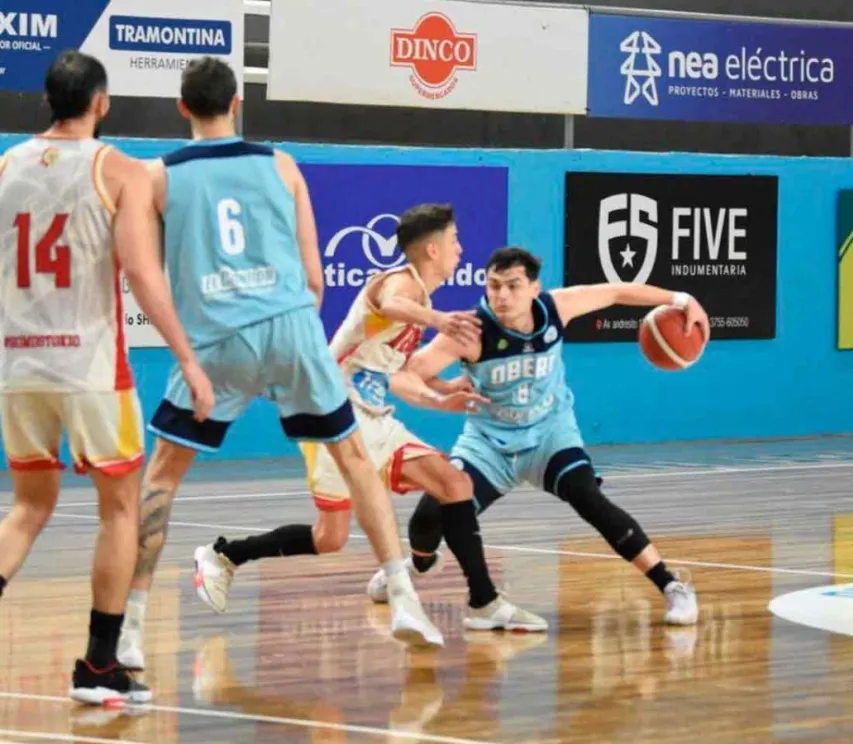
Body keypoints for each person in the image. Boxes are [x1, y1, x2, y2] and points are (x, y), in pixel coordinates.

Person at [115, 56, 443, 671]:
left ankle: (130, 627)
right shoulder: (283, 166)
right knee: (354, 460)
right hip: (290, 330)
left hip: (215, 340)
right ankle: (403, 597)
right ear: (237, 103)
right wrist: (286, 358)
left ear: (182, 107)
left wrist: (192, 353)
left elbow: (144, 275)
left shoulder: (155, 177)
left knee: (161, 479)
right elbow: (315, 281)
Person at [191, 204, 546, 633]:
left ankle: (483, 600)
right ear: (432, 250)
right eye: (454, 241)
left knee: (454, 485)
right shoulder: (401, 283)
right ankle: (224, 554)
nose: (460, 249)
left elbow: (387, 374)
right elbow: (391, 302)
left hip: (371, 416)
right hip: (332, 416)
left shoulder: (419, 295)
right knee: (330, 538)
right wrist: (438, 321)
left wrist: (441, 394)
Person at [0, 50, 214, 704]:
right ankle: (98, 666)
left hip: (16, 363)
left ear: (47, 101)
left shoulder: (4, 166)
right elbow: (144, 277)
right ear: (102, 102)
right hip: (90, 366)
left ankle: (100, 664)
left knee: (29, 506)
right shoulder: (116, 168)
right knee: (120, 509)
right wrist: (186, 357)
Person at [366, 246, 704, 625]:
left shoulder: (557, 308)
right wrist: (440, 393)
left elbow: (615, 291)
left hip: (549, 435)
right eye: (494, 286)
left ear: (533, 288)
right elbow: (405, 373)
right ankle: (419, 563)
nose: (502, 295)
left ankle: (672, 585)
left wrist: (681, 298)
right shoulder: (470, 331)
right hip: (489, 445)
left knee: (589, 498)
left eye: (512, 286)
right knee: (428, 519)